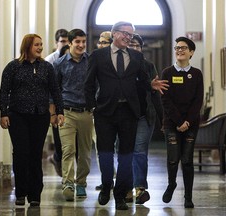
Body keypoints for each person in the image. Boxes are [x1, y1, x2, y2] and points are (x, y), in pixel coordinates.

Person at [84, 21, 168, 210]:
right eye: (125, 34)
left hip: (129, 112)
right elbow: (88, 84)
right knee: (105, 154)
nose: (128, 38)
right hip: (104, 112)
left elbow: (143, 82)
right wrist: (92, 107)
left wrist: (151, 86)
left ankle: (120, 195)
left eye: (131, 35)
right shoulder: (98, 56)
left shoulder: (136, 57)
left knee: (126, 156)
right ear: (114, 34)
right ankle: (106, 185)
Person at [0, 33, 64, 207]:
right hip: (18, 115)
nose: (40, 48)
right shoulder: (13, 67)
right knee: (21, 153)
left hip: (39, 116)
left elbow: (55, 91)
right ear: (27, 46)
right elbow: (4, 91)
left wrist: (59, 111)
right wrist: (3, 113)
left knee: (35, 154)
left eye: (41, 45)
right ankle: (20, 192)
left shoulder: (46, 67)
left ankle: (35, 194)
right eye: (37, 45)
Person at [161, 36, 204, 208]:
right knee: (173, 158)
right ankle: (171, 184)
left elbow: (198, 101)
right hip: (172, 123)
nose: (179, 50)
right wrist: (179, 121)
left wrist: (187, 121)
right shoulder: (167, 73)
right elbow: (165, 100)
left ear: (191, 52)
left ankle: (188, 197)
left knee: (187, 160)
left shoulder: (197, 74)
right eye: (177, 47)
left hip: (191, 124)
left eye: (183, 48)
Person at [52, 29, 94, 202]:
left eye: (83, 41)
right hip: (67, 113)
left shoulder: (91, 61)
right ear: (69, 43)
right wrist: (54, 113)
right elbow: (54, 91)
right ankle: (68, 183)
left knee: (84, 152)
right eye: (77, 42)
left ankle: (81, 183)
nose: (81, 45)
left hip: (86, 112)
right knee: (68, 150)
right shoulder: (60, 64)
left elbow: (97, 85)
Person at [124, 33, 163, 204]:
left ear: (141, 48)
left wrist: (163, 118)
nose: (134, 48)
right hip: (123, 115)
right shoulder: (118, 66)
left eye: (137, 45)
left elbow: (155, 94)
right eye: (131, 45)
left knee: (139, 151)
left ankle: (140, 189)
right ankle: (125, 188)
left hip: (144, 115)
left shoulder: (148, 66)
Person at [45, 29, 69, 177]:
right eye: (62, 41)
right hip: (55, 105)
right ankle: (57, 159)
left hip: (69, 105)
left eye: (67, 41)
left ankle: (66, 172)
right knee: (59, 142)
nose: (65, 44)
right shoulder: (50, 60)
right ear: (56, 43)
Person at [94, 30, 115, 191]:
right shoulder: (94, 59)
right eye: (99, 42)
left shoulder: (116, 59)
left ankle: (118, 178)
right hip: (100, 109)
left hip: (118, 109)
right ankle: (107, 178)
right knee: (101, 148)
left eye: (104, 42)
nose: (101, 45)